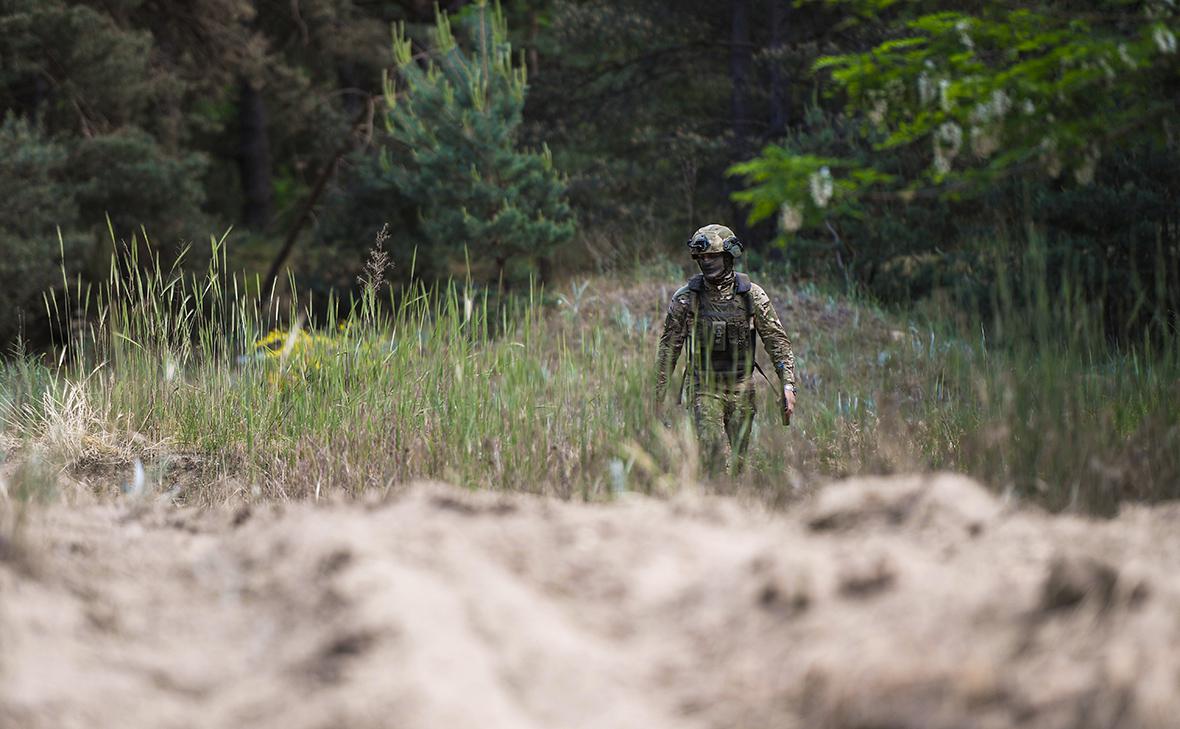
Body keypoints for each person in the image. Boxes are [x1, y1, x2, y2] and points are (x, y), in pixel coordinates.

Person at [655, 224, 796, 474]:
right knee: (711, 454)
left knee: (740, 459)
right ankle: (713, 501)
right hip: (703, 387)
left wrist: (787, 385)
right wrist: (659, 395)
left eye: (713, 256)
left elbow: (777, 341)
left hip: (741, 386)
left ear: (729, 255)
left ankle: (736, 501)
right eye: (702, 257)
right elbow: (668, 348)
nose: (707, 262)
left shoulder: (752, 296)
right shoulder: (687, 298)